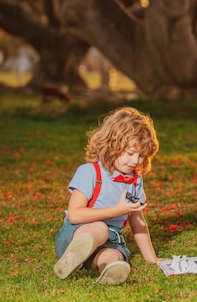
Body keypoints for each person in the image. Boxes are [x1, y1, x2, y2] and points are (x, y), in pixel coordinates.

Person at [54, 107, 164, 284]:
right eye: (130, 153)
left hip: (111, 239)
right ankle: (72, 257)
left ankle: (108, 271)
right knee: (99, 229)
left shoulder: (135, 180)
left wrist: (152, 258)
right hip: (77, 233)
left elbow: (138, 221)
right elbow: (75, 215)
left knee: (114, 256)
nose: (136, 161)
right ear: (112, 145)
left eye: (141, 156)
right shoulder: (90, 172)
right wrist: (117, 210)